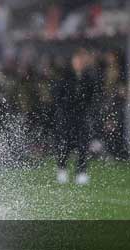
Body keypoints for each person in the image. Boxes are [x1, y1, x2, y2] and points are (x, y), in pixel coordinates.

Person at [53, 48, 98, 185]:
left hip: (82, 116)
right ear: (72, 61)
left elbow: (93, 96)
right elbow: (58, 96)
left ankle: (82, 172)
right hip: (67, 116)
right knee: (64, 144)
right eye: (76, 60)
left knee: (83, 145)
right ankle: (62, 169)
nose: (78, 63)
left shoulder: (89, 78)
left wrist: (85, 108)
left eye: (81, 60)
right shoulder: (65, 77)